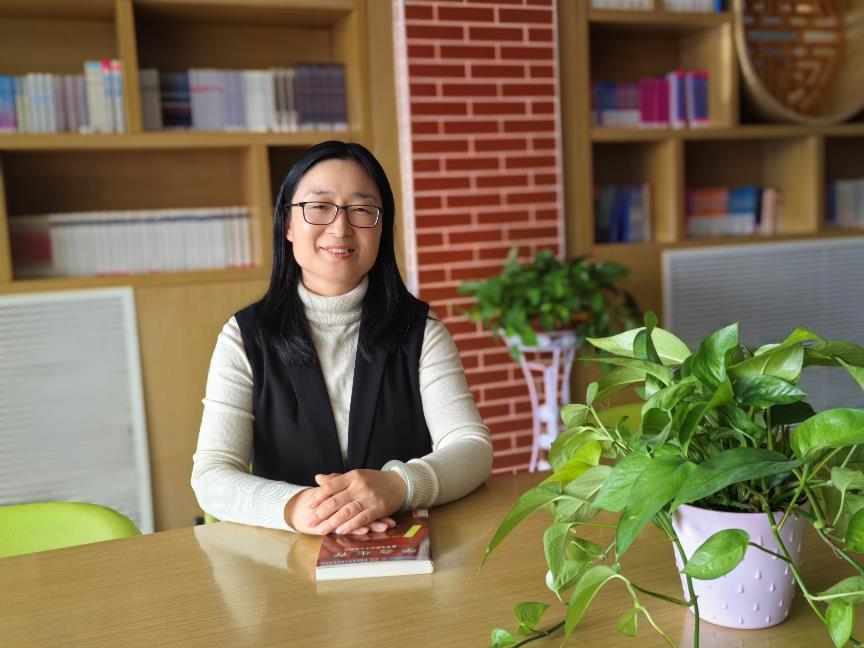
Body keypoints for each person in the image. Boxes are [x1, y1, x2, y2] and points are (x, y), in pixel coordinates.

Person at [192, 140, 493, 536]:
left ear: (381, 229)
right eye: (319, 206)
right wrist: (297, 508)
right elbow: (212, 475)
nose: (340, 227)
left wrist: (399, 485)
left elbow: (472, 447)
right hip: (287, 557)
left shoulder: (420, 330)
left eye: (361, 210)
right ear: (287, 224)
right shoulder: (244, 337)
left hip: (407, 551)